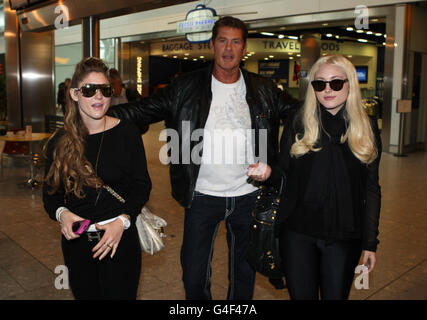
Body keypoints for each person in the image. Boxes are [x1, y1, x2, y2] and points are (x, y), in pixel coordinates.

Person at [109, 16, 299, 300]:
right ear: (212, 45)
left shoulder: (263, 89)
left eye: (235, 42)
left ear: (244, 47)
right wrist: (97, 114)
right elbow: (142, 111)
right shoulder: (185, 87)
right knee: (194, 276)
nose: (228, 48)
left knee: (244, 275)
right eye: (222, 40)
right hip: (201, 197)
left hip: (249, 195)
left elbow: (300, 115)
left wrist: (337, 111)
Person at [256, 54, 382, 300]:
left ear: (350, 85)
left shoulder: (366, 126)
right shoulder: (299, 121)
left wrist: (370, 242)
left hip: (345, 235)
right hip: (297, 232)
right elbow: (283, 174)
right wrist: (269, 173)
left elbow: (371, 188)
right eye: (319, 83)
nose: (327, 90)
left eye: (336, 83)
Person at [43, 57, 151, 300]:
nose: (99, 97)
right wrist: (64, 214)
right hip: (78, 244)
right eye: (90, 90)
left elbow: (142, 186)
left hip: (119, 239)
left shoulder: (127, 132)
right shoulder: (59, 141)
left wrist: (122, 222)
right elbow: (50, 196)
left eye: (105, 90)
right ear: (74, 94)